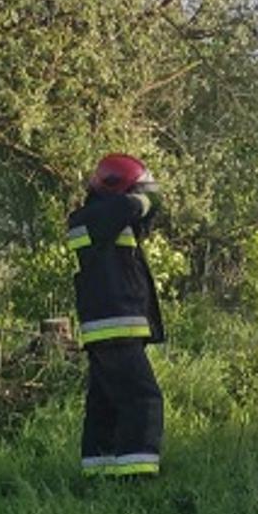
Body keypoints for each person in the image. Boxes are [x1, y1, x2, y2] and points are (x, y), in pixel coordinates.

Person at [67, 153, 165, 478]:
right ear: (117, 190)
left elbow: (139, 213)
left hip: (107, 331)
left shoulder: (109, 222)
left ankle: (99, 472)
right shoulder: (92, 219)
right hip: (116, 328)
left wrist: (146, 197)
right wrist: (144, 197)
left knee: (105, 405)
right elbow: (133, 206)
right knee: (143, 399)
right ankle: (138, 475)